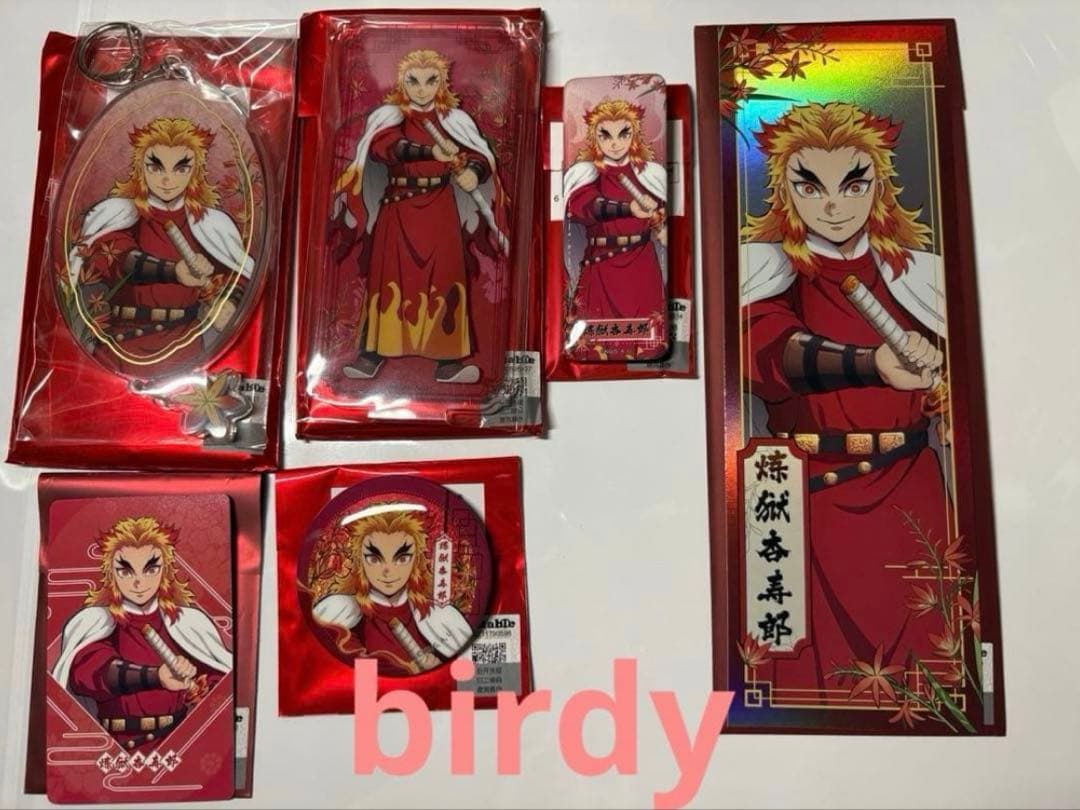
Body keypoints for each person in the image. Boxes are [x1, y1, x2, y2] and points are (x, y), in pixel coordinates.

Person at [741, 101, 952, 694]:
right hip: (810, 494)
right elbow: (768, 352)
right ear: (785, 193)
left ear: (878, 186)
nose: (834, 206)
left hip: (910, 491)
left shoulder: (918, 277)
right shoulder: (771, 271)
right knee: (808, 680)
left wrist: (944, 388)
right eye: (811, 187)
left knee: (931, 669)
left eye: (852, 184)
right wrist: (871, 363)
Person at [334, 49, 508, 384]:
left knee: (444, 277)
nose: (422, 89)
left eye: (431, 81)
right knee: (389, 277)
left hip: (440, 207)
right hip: (399, 208)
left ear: (442, 83)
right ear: (402, 82)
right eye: (413, 81)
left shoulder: (453, 120)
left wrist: (473, 171)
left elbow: (478, 154)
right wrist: (430, 151)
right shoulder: (390, 117)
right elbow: (386, 148)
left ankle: (448, 361)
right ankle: (372, 354)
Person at [69, 116, 253, 375]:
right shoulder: (121, 213)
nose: (167, 179)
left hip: (186, 347)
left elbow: (242, 273)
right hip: (122, 344)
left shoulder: (209, 224)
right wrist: (173, 271)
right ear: (140, 166)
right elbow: (117, 258)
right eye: (156, 167)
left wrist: (229, 301)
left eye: (180, 168)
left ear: (195, 171)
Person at [51, 517, 231, 750]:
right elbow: (91, 673)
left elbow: (222, 681)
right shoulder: (98, 622)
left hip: (180, 744)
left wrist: (201, 687)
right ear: (111, 573)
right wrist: (156, 676)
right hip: (116, 747)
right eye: (126, 571)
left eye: (151, 569)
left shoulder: (187, 623)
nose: (139, 582)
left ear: (165, 570)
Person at [312, 509, 472, 676]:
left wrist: (440, 669)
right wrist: (407, 669)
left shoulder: (437, 616)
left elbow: (466, 673)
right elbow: (347, 672)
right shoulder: (343, 612)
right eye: (374, 559)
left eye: (402, 559)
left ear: (416, 560)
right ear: (360, 561)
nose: (388, 571)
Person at [563, 99, 667, 354]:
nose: (615, 143)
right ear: (594, 137)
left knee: (649, 343)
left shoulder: (649, 174)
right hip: (602, 262)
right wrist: (628, 208)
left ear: (634, 133)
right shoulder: (587, 174)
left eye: (623, 133)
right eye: (605, 135)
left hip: (642, 262)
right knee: (593, 347)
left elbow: (669, 211)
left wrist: (662, 219)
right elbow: (586, 207)